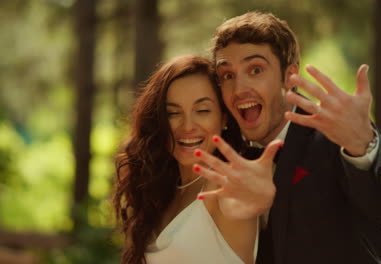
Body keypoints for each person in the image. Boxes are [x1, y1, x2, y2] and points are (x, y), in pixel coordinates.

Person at [193, 12, 381, 264]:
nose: (239, 89)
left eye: (256, 70)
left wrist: (363, 146)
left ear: (289, 76)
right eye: (228, 75)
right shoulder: (221, 150)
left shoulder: (337, 134)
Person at [112, 55, 282, 264]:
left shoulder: (224, 188)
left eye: (202, 111)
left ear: (224, 118)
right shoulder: (156, 191)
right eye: (172, 113)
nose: (187, 126)